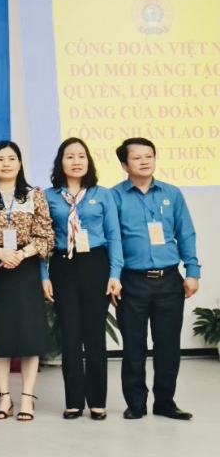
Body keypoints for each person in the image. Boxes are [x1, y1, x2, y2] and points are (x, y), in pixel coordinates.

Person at [112, 137, 199, 421]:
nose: (144, 161)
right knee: (133, 346)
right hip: (132, 281)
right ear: (125, 165)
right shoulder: (114, 196)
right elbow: (112, 241)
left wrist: (193, 271)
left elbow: (186, 233)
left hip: (169, 280)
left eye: (149, 156)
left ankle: (165, 402)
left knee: (168, 346)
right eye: (137, 157)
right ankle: (136, 403)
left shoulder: (171, 193)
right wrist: (113, 278)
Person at [45, 137, 122, 420]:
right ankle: (74, 401)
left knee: (94, 335)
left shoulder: (102, 194)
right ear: (60, 162)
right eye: (70, 156)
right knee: (70, 336)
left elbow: (114, 236)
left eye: (81, 156)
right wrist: (43, 276)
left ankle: (98, 401)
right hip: (63, 265)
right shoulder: (48, 196)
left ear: (88, 161)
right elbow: (42, 239)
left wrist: (115, 274)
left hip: (96, 264)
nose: (76, 161)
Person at [0, 141, 53, 421]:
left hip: (26, 268)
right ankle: (4, 398)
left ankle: (27, 399)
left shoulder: (34, 195)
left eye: (11, 158)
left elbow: (46, 235)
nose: (6, 163)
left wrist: (20, 254)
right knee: (1, 336)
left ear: (20, 164)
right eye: (0, 159)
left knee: (29, 336)